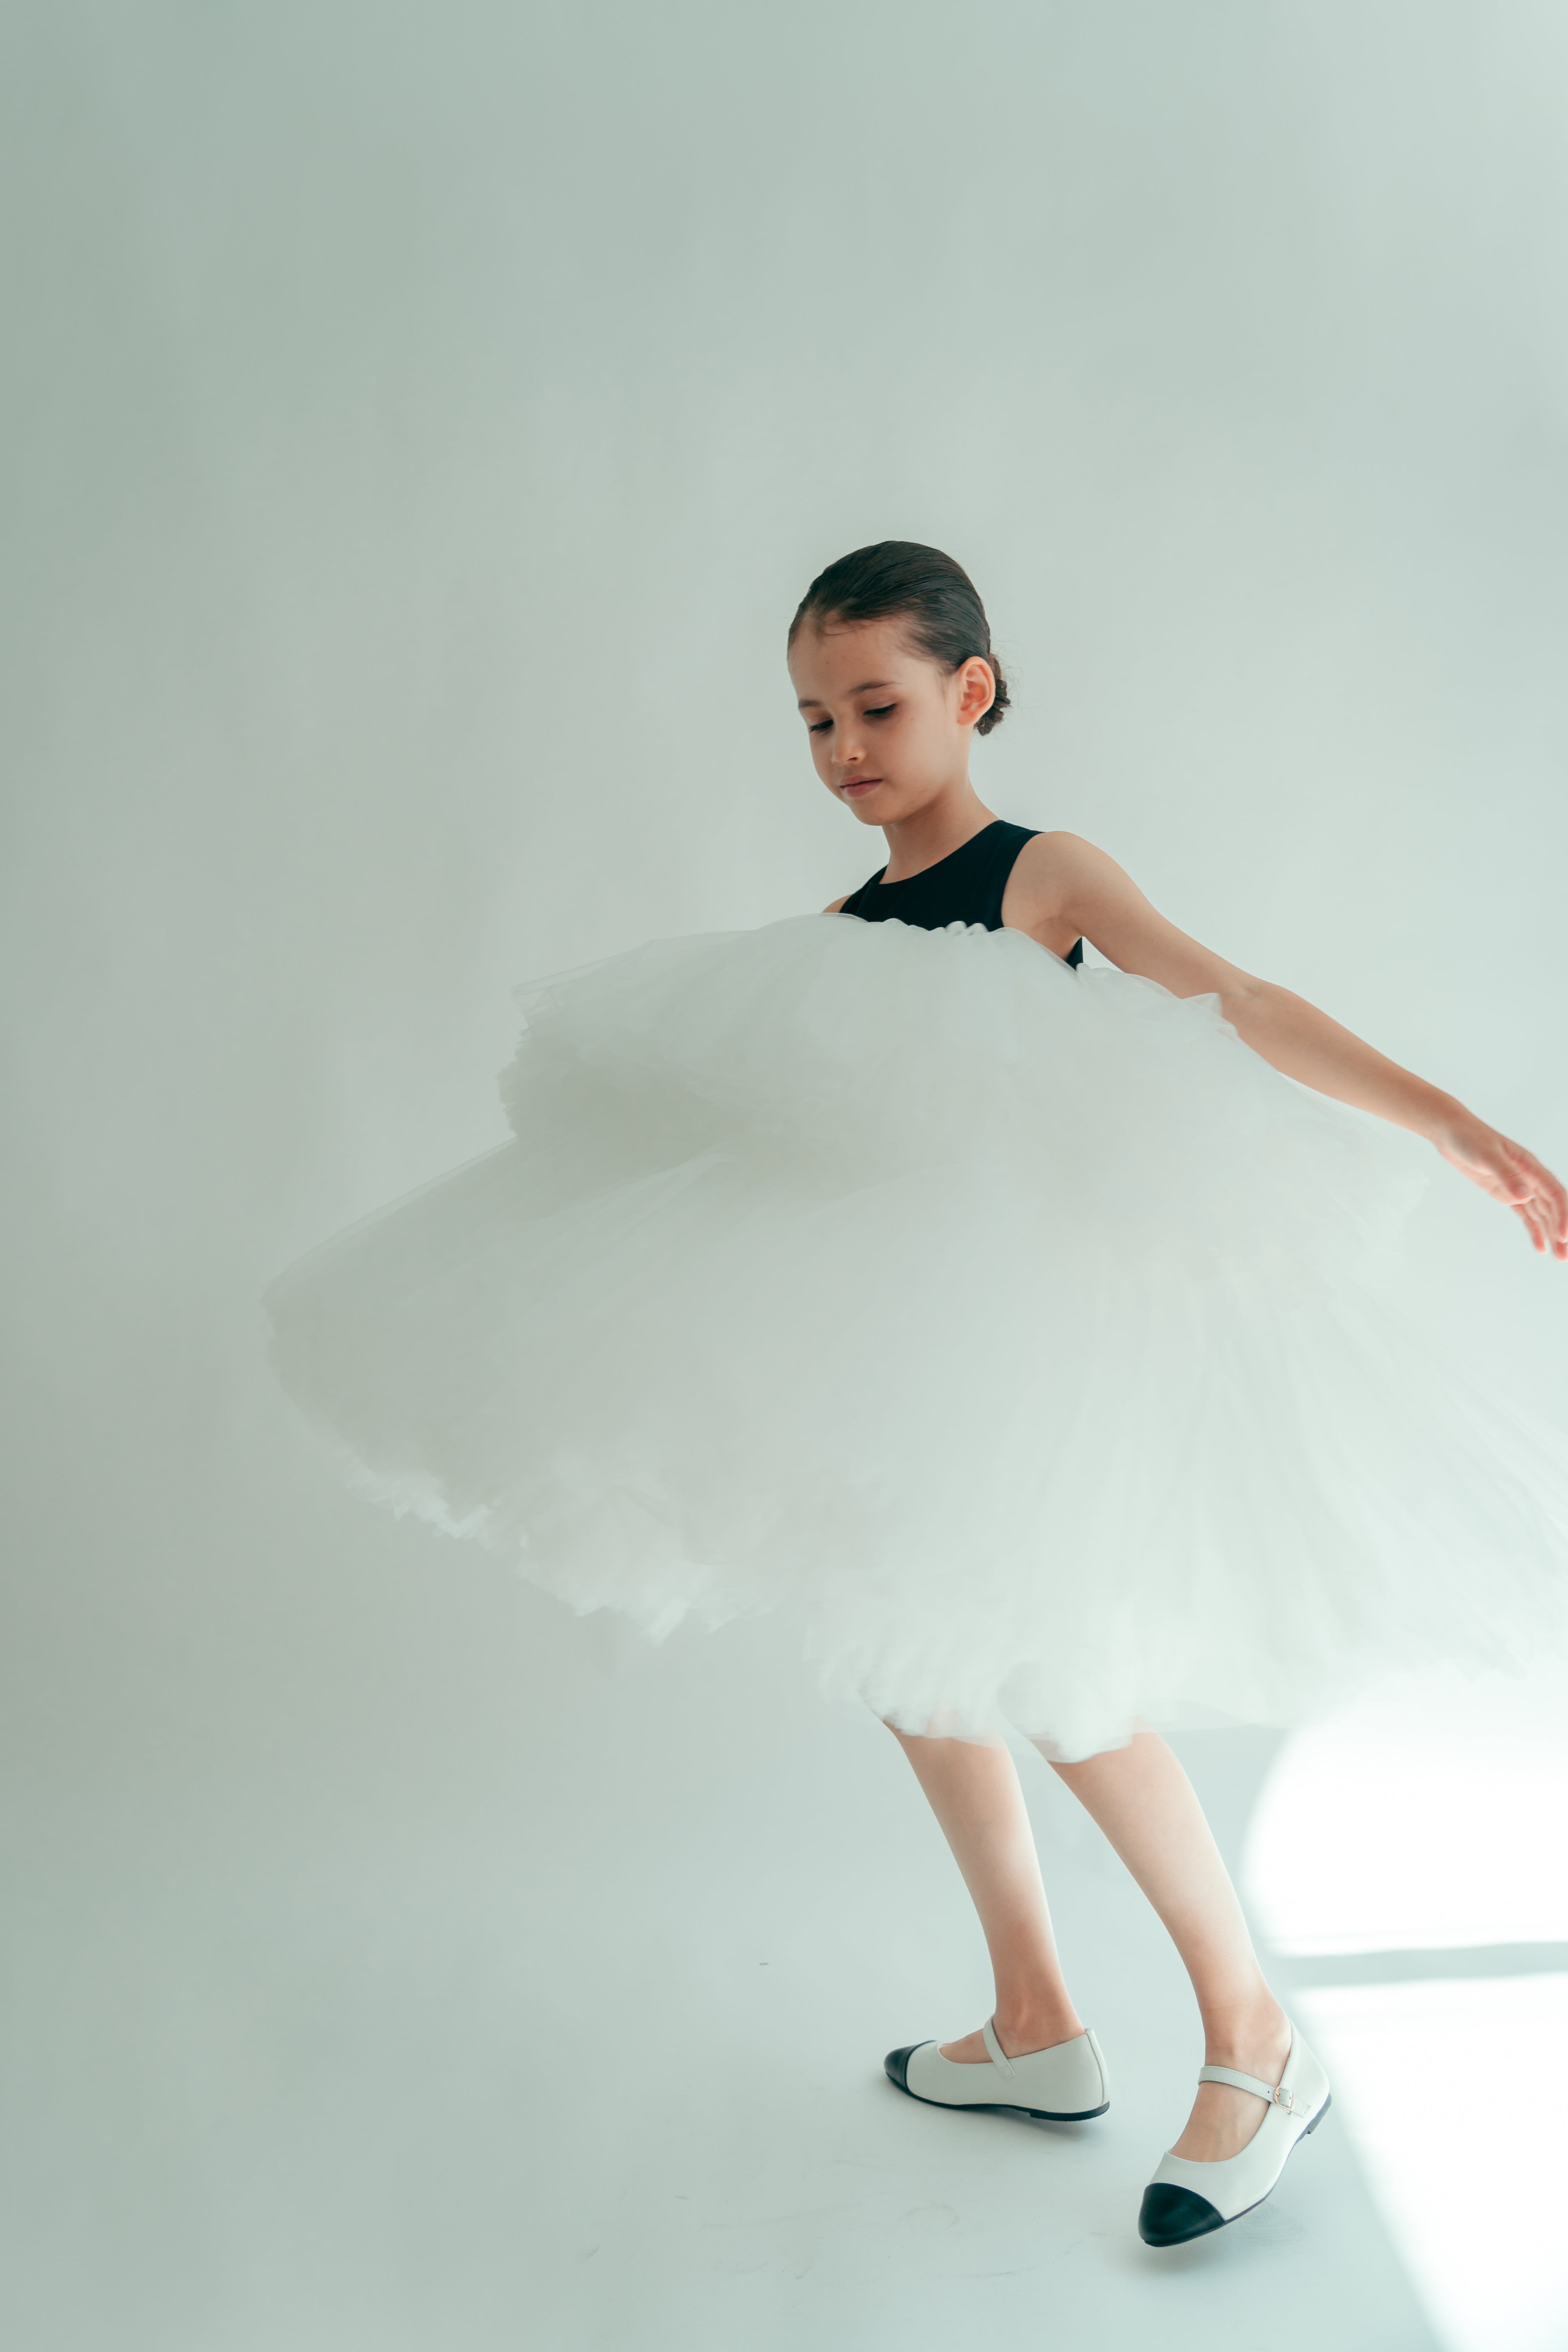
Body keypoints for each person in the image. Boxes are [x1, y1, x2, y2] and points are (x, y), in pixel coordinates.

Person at [265, 540, 1568, 2247]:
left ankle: (1254, 2036)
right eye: (812, 719)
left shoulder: (1042, 875)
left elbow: (1234, 1000)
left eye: (874, 706)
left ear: (967, 691)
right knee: (913, 1651)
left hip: (1022, 1346)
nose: (842, 749)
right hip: (891, 1354)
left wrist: (1450, 1122)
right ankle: (1034, 2019)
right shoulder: (838, 937)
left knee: (1064, 1676)